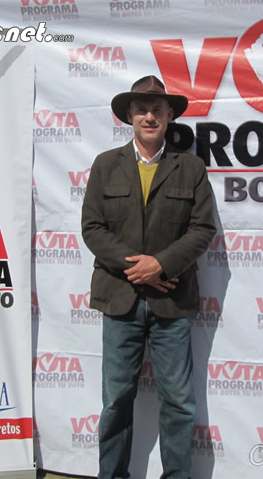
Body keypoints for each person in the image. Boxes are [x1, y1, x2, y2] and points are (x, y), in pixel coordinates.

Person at [81, 75, 216, 479]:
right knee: (116, 400)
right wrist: (139, 269)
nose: (150, 116)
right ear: (129, 115)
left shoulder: (191, 167)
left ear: (170, 115)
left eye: (157, 109)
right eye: (142, 109)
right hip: (119, 301)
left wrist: (161, 265)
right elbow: (92, 229)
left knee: (178, 401)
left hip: (171, 301)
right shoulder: (105, 165)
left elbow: (202, 229)